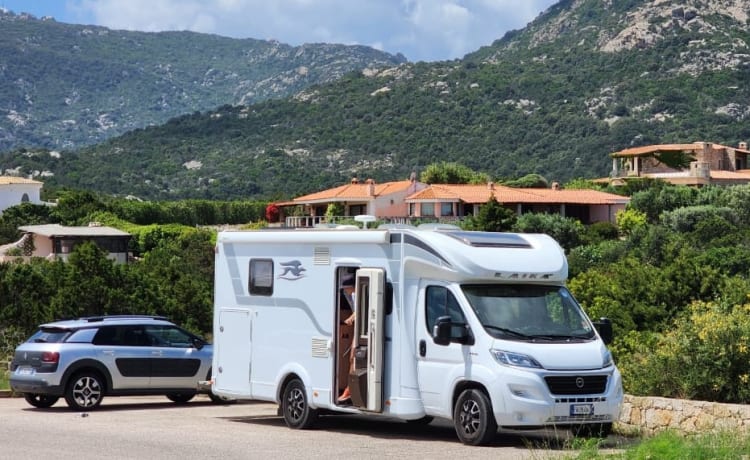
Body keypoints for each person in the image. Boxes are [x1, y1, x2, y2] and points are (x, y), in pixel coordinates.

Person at [338, 273, 356, 403]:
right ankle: (350, 389)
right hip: (357, 328)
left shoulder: (358, 294)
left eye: (346, 288)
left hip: (361, 328)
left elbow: (362, 309)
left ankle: (350, 389)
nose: (344, 290)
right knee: (352, 358)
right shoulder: (350, 295)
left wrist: (351, 318)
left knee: (353, 357)